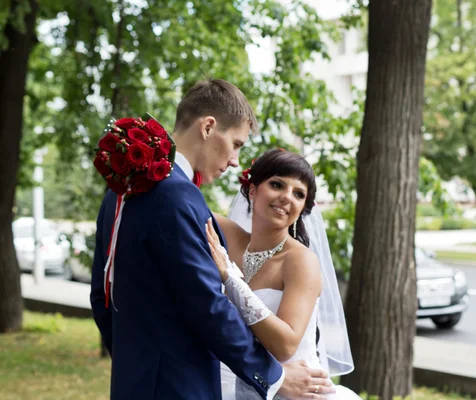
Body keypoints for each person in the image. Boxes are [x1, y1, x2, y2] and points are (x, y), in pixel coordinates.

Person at [90, 79, 334, 400]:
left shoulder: (123, 187)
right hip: (177, 385)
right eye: (236, 143)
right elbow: (207, 304)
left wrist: (135, 357)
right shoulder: (177, 195)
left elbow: (101, 294)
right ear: (208, 127)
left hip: (136, 379)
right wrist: (273, 376)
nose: (235, 160)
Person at [208, 149, 361, 399]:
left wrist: (231, 279)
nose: (286, 197)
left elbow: (286, 345)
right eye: (277, 185)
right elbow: (183, 205)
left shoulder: (300, 261)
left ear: (303, 208)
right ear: (253, 190)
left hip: (296, 392)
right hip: (233, 386)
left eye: (298, 194)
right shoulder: (230, 238)